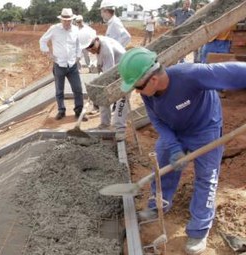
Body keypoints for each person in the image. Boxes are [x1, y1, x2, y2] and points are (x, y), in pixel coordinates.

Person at [117, 47, 246, 255]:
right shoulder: (148, 94)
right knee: (163, 161)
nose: (136, 92)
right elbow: (157, 121)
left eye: (137, 86)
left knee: (206, 177)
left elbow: (235, 72)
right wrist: (175, 147)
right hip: (175, 131)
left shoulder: (191, 74)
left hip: (206, 130)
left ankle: (199, 230)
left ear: (153, 79)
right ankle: (159, 204)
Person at [39, 8, 86, 121]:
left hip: (72, 65)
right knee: (59, 90)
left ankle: (79, 111)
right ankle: (61, 110)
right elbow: (42, 40)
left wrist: (78, 56)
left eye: (69, 20)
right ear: (61, 20)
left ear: (72, 20)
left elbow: (79, 44)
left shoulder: (75, 30)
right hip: (59, 64)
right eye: (64, 20)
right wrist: (48, 54)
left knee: (78, 88)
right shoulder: (54, 29)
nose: (67, 23)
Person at [78, 31, 126, 141]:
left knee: (122, 99)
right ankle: (104, 125)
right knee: (102, 96)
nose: (90, 50)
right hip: (114, 71)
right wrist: (96, 88)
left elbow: (109, 76)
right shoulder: (98, 45)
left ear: (96, 40)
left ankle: (120, 129)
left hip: (126, 72)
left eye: (91, 46)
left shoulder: (106, 50)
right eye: (87, 48)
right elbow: (102, 69)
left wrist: (98, 89)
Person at [99, 0, 131, 140]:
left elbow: (127, 37)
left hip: (120, 65)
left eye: (101, 11)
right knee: (119, 95)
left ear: (106, 10)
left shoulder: (115, 23)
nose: (101, 14)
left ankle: (119, 128)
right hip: (116, 63)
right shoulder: (112, 23)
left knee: (121, 94)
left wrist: (118, 47)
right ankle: (110, 123)